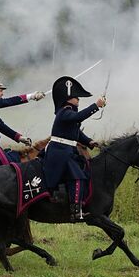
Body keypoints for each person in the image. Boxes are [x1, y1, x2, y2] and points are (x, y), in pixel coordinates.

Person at [43, 76, 104, 222]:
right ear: (68, 98)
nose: (78, 99)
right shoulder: (64, 112)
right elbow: (78, 118)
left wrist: (89, 141)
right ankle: (76, 212)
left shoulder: (69, 112)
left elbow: (76, 132)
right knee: (77, 177)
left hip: (66, 151)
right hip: (59, 152)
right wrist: (96, 106)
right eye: (76, 96)